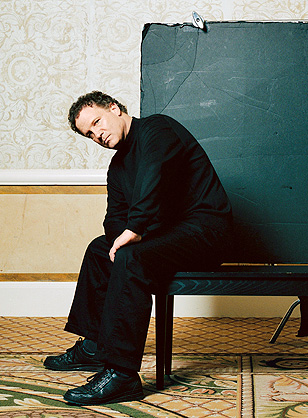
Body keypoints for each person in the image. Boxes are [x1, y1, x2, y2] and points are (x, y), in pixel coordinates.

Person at [44, 91, 233, 405]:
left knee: (131, 255)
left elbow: (152, 176)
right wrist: (119, 239)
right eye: (89, 134)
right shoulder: (118, 167)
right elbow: (114, 217)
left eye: (97, 122)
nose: (97, 134)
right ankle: (93, 346)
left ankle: (122, 374)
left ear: (114, 108)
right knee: (99, 249)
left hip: (207, 232)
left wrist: (134, 230)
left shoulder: (158, 129)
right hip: (170, 236)